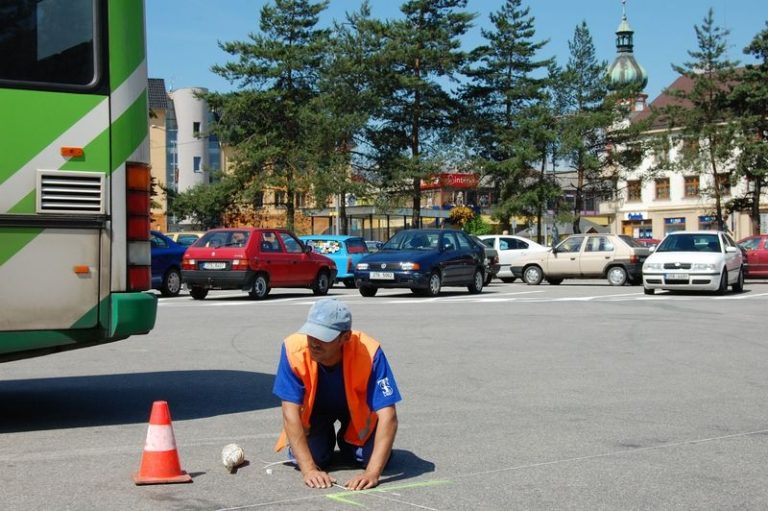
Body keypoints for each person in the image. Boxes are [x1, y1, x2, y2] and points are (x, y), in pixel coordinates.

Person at [272, 299, 401, 490]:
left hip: (355, 414)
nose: (314, 342)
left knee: (367, 457)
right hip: (315, 414)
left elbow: (388, 416)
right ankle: (323, 440)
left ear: (345, 337)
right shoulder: (293, 349)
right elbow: (289, 413)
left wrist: (372, 473)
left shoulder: (370, 352)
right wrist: (309, 470)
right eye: (311, 333)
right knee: (313, 458)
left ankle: (347, 442)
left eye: (323, 337)